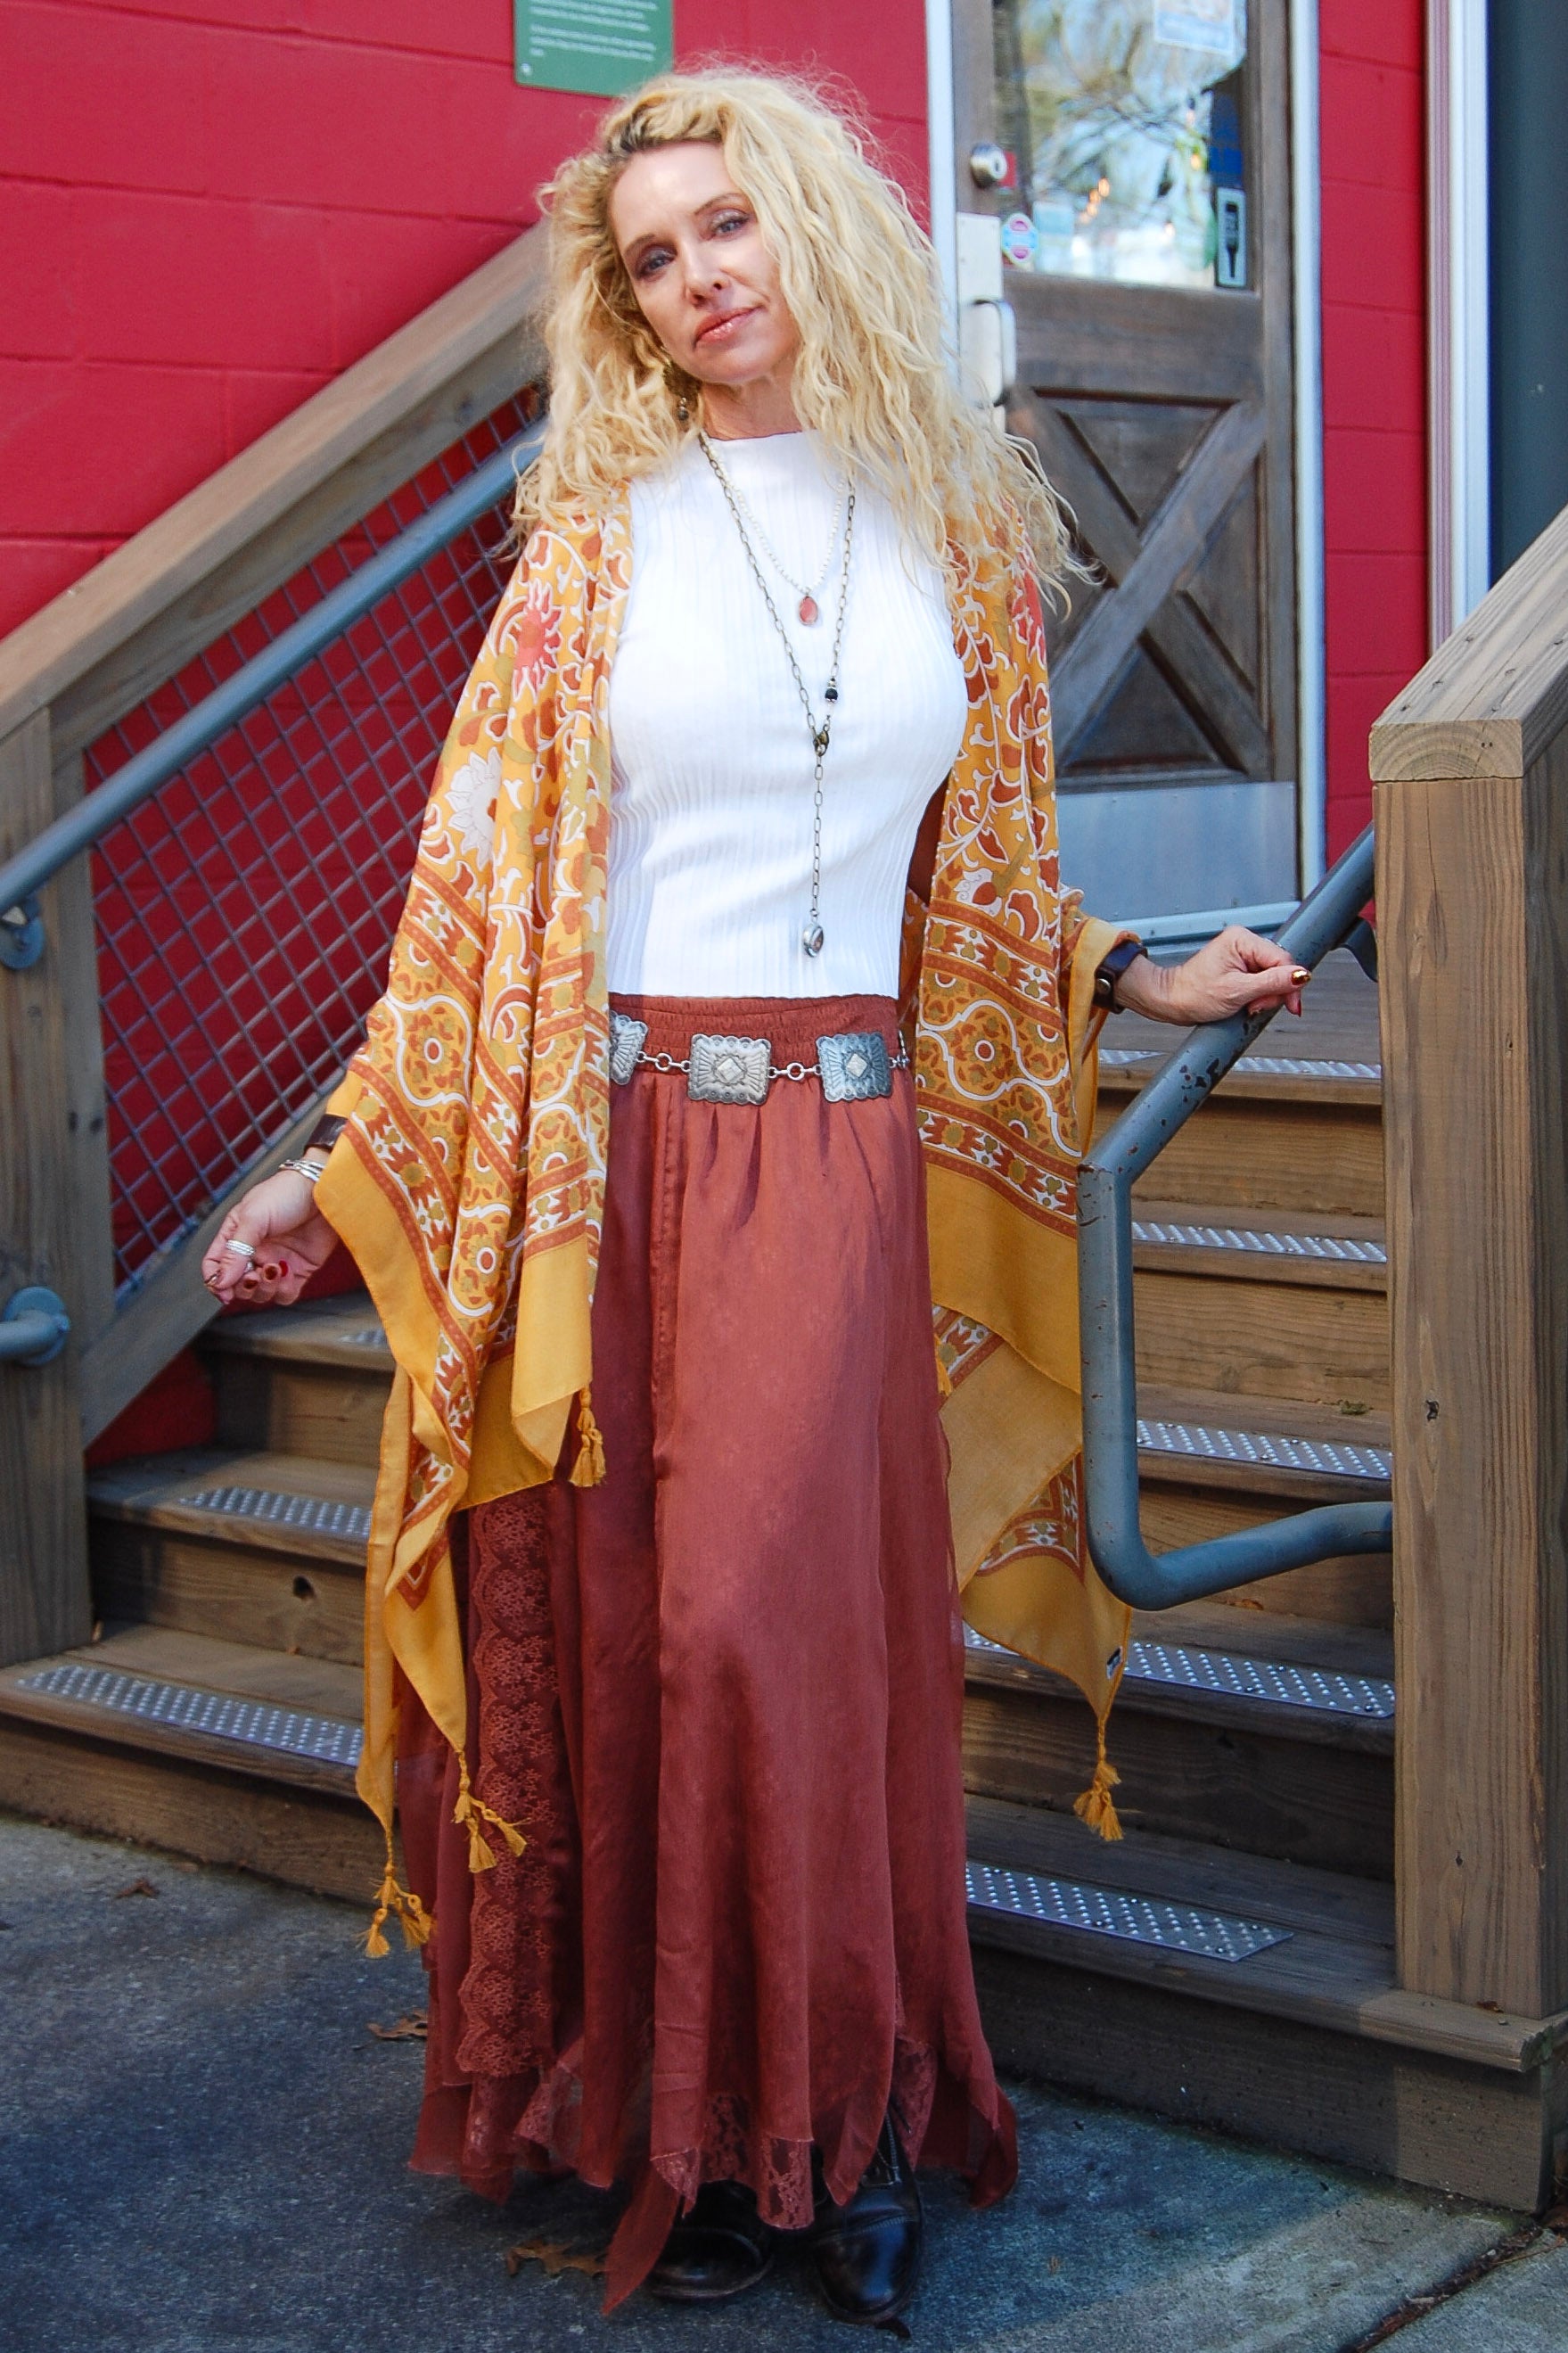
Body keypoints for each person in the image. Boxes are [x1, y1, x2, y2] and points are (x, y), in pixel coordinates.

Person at [201, 69, 1306, 2326]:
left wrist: (1132, 964)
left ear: (814, 225)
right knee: (627, 1640)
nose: (699, 278)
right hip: (604, 1161)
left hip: (836, 1154)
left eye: (729, 225)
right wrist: (341, 1160)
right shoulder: (589, 553)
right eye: (652, 257)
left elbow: (970, 879)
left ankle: (833, 2124)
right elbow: (474, 902)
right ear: (622, 307)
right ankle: (667, 2124)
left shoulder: (959, 543)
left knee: (769, 1645)